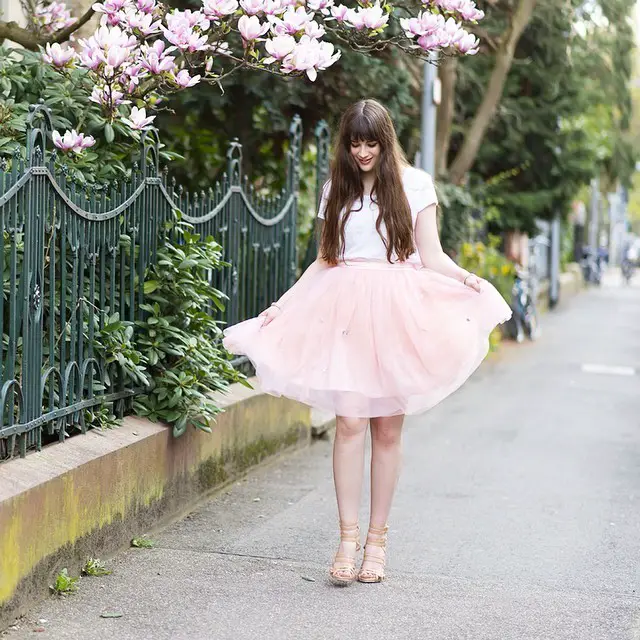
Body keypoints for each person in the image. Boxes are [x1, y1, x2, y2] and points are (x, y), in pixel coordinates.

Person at [223, 99, 512, 586]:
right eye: (355, 142)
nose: (362, 151)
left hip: (398, 312)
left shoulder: (416, 185)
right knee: (350, 422)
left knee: (387, 431)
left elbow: (432, 254)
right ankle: (347, 538)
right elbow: (325, 259)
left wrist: (468, 280)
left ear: (385, 140)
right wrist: (283, 304)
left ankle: (377, 541)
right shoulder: (337, 188)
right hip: (347, 314)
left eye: (370, 142)